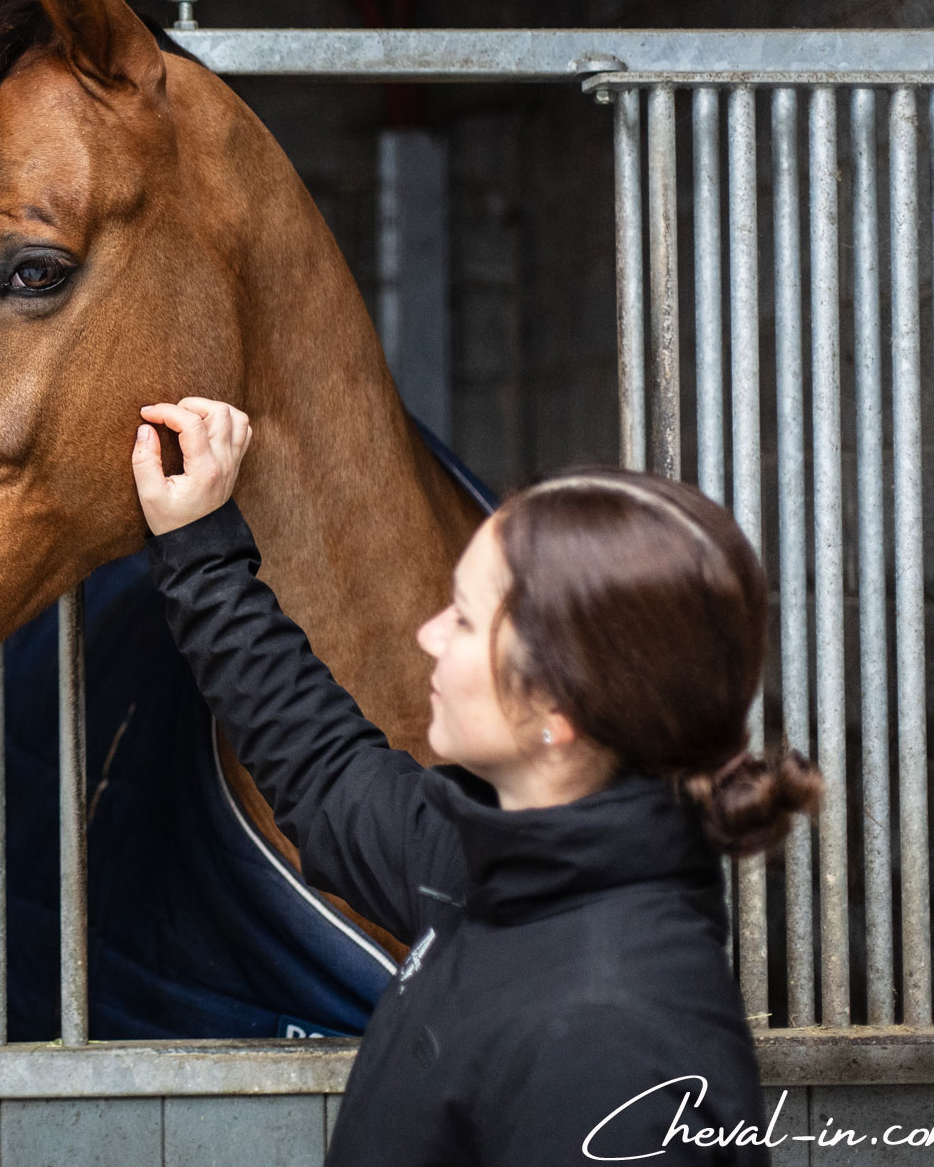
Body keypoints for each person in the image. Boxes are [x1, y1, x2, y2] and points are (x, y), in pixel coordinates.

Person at [131, 397, 821, 1166]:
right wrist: (199, 544)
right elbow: (324, 769)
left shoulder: (613, 1044)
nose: (428, 634)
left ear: (557, 707)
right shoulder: (492, 867)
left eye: (461, 617)